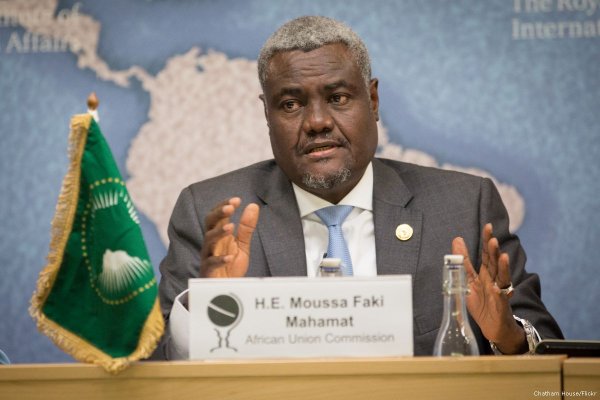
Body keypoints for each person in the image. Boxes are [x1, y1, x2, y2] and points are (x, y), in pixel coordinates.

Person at [156, 15, 562, 359]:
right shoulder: (212, 214)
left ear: (373, 100)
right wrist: (206, 309)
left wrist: (505, 335)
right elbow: (156, 367)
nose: (317, 122)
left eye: (337, 97)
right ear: (267, 114)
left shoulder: (462, 208)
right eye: (291, 104)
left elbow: (552, 354)